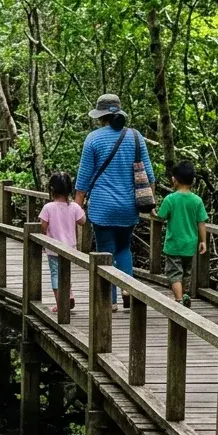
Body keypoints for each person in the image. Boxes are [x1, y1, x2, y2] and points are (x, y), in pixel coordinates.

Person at [75, 93, 154, 309]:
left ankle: (110, 301)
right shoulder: (136, 137)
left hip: (102, 207)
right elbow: (148, 175)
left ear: (101, 116)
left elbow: (84, 177)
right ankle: (127, 288)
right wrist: (149, 203)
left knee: (105, 251)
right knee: (123, 248)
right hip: (129, 207)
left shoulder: (93, 138)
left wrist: (77, 205)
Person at [157, 160, 208, 308]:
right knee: (185, 273)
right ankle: (183, 295)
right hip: (190, 244)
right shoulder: (197, 200)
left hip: (174, 243)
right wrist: (203, 241)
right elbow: (201, 222)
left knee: (174, 273)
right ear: (193, 181)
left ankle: (179, 300)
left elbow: (161, 216)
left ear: (174, 180)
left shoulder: (170, 199)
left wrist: (153, 212)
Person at [39, 173, 86, 313]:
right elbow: (83, 222)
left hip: (53, 248)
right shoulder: (74, 207)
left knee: (55, 274)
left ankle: (61, 303)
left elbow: (42, 226)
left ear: (52, 189)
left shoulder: (48, 207)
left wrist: (42, 242)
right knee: (66, 272)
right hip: (70, 248)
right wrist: (81, 209)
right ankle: (69, 295)